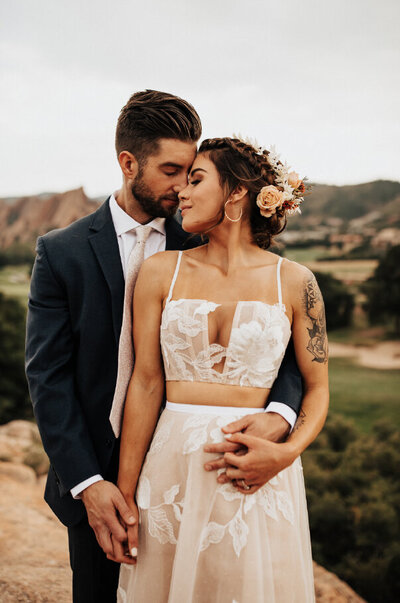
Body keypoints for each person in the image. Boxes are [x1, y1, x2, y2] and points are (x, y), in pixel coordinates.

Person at [25, 93, 303, 603]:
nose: (183, 186)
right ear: (128, 163)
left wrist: (280, 416)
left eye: (192, 171)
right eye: (171, 170)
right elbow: (49, 378)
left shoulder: (206, 235)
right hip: (100, 472)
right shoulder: (61, 253)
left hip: (202, 468)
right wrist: (88, 482)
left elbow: (281, 348)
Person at [116, 138, 329, 602]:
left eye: (195, 180)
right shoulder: (160, 271)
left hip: (255, 468)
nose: (182, 194)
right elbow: (146, 383)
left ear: (236, 192)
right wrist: (127, 494)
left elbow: (316, 390)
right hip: (170, 468)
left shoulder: (296, 282)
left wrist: (287, 453)